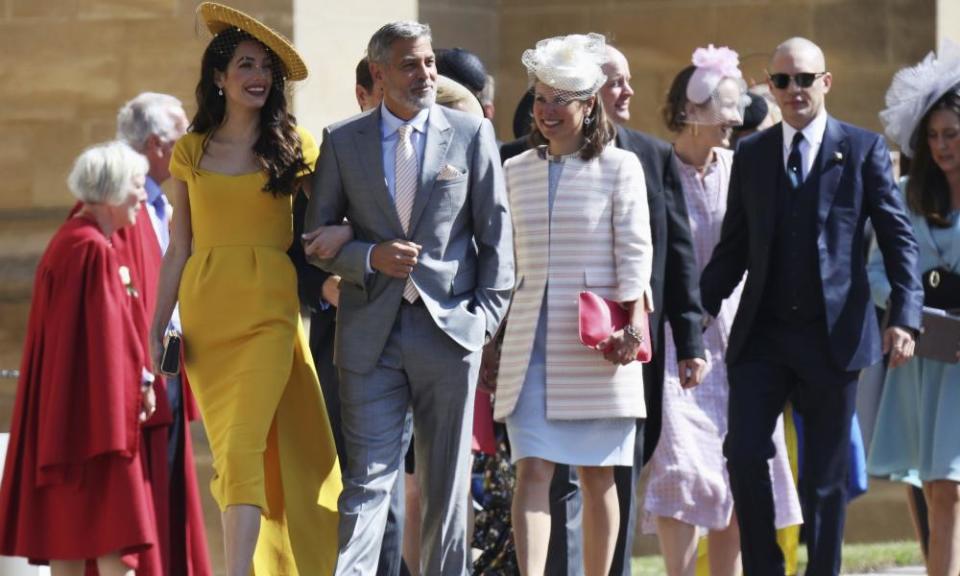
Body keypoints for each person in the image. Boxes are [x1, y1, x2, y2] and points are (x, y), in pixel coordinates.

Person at [699, 36, 923, 576]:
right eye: (782, 81)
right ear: (772, 88)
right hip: (763, 338)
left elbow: (898, 241)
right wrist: (690, 312)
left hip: (833, 338)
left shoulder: (863, 149)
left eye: (804, 79)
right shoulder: (751, 154)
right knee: (745, 452)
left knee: (824, 479)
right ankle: (765, 568)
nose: (793, 90)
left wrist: (905, 317)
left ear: (826, 83)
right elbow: (733, 249)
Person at [304, 20, 513, 576]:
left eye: (429, 63)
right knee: (366, 483)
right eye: (409, 64)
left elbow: (497, 236)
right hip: (370, 337)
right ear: (378, 73)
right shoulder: (342, 141)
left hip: (451, 334)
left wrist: (484, 321)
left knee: (446, 492)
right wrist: (369, 257)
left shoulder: (470, 135)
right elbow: (316, 240)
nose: (424, 74)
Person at [498, 42, 706, 576]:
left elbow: (637, 252)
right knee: (533, 469)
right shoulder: (515, 168)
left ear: (589, 104)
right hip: (530, 342)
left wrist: (633, 330)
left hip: (599, 343)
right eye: (541, 98)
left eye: (561, 99)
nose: (546, 110)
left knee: (598, 476)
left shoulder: (622, 166)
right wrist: (493, 340)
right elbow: (502, 261)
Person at [149, 4, 341, 575]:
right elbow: (178, 248)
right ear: (218, 77)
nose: (258, 75)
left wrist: (345, 240)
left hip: (269, 314)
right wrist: (156, 325)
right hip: (208, 317)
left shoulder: (295, 143)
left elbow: (333, 215)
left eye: (265, 68)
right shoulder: (191, 149)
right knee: (230, 450)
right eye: (245, 64)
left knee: (240, 446)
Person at [642, 46, 802, 576]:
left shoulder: (743, 168)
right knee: (682, 468)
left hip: (739, 336)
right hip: (675, 339)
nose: (735, 119)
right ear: (691, 110)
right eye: (724, 108)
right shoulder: (654, 171)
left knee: (739, 470)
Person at [0, 141, 158, 576]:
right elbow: (107, 344)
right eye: (137, 187)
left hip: (67, 423)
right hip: (98, 427)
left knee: (68, 538)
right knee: (110, 538)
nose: (143, 197)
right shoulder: (89, 249)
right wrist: (138, 389)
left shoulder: (69, 241)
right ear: (110, 191)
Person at [869, 40, 960, 576]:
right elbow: (876, 272)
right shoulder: (905, 194)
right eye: (933, 136)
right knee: (932, 483)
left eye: (952, 134)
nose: (943, 146)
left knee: (945, 482)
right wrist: (911, 308)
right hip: (925, 356)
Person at [115, 91, 212, 576]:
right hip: (142, 378)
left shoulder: (162, 202)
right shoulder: (122, 206)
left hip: (169, 365)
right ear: (157, 145)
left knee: (173, 492)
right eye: (181, 138)